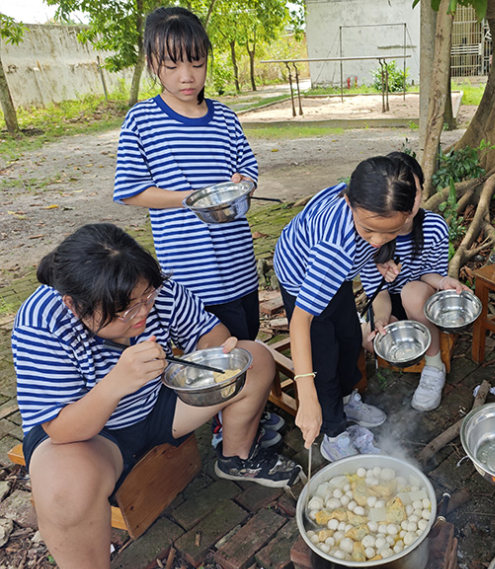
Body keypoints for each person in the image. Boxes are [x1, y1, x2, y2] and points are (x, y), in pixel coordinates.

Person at [11, 224, 301, 569]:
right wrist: (116, 383)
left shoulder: (151, 287)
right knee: (62, 491)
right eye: (124, 311)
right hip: (89, 435)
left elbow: (209, 333)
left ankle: (237, 457)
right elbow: (61, 428)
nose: (142, 313)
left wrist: (218, 351)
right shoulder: (42, 321)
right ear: (73, 304)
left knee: (255, 360)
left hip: (158, 405)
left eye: (146, 298)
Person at [113, 6, 283, 449]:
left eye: (196, 63)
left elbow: (248, 168)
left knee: (246, 339)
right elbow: (130, 190)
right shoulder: (142, 121)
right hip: (190, 273)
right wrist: (188, 198)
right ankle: (226, 422)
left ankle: (246, 408)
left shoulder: (224, 117)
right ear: (153, 64)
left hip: (237, 261)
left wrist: (243, 183)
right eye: (172, 66)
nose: (187, 76)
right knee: (213, 354)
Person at [274, 156, 417, 462]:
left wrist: (378, 259)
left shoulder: (370, 196)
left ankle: (347, 400)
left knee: (350, 336)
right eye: (369, 231)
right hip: (301, 277)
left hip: (335, 278)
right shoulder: (333, 249)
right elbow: (300, 321)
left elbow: (375, 237)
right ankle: (334, 432)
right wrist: (306, 397)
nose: (378, 240)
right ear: (349, 203)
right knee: (323, 357)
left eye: (390, 232)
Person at [360, 152, 465, 411]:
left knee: (412, 292)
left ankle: (434, 366)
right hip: (387, 301)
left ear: (423, 192)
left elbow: (430, 273)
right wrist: (381, 319)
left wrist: (443, 282)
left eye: (414, 193)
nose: (408, 202)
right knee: (369, 338)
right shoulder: (372, 233)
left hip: (420, 298)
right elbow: (378, 292)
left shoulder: (434, 227)